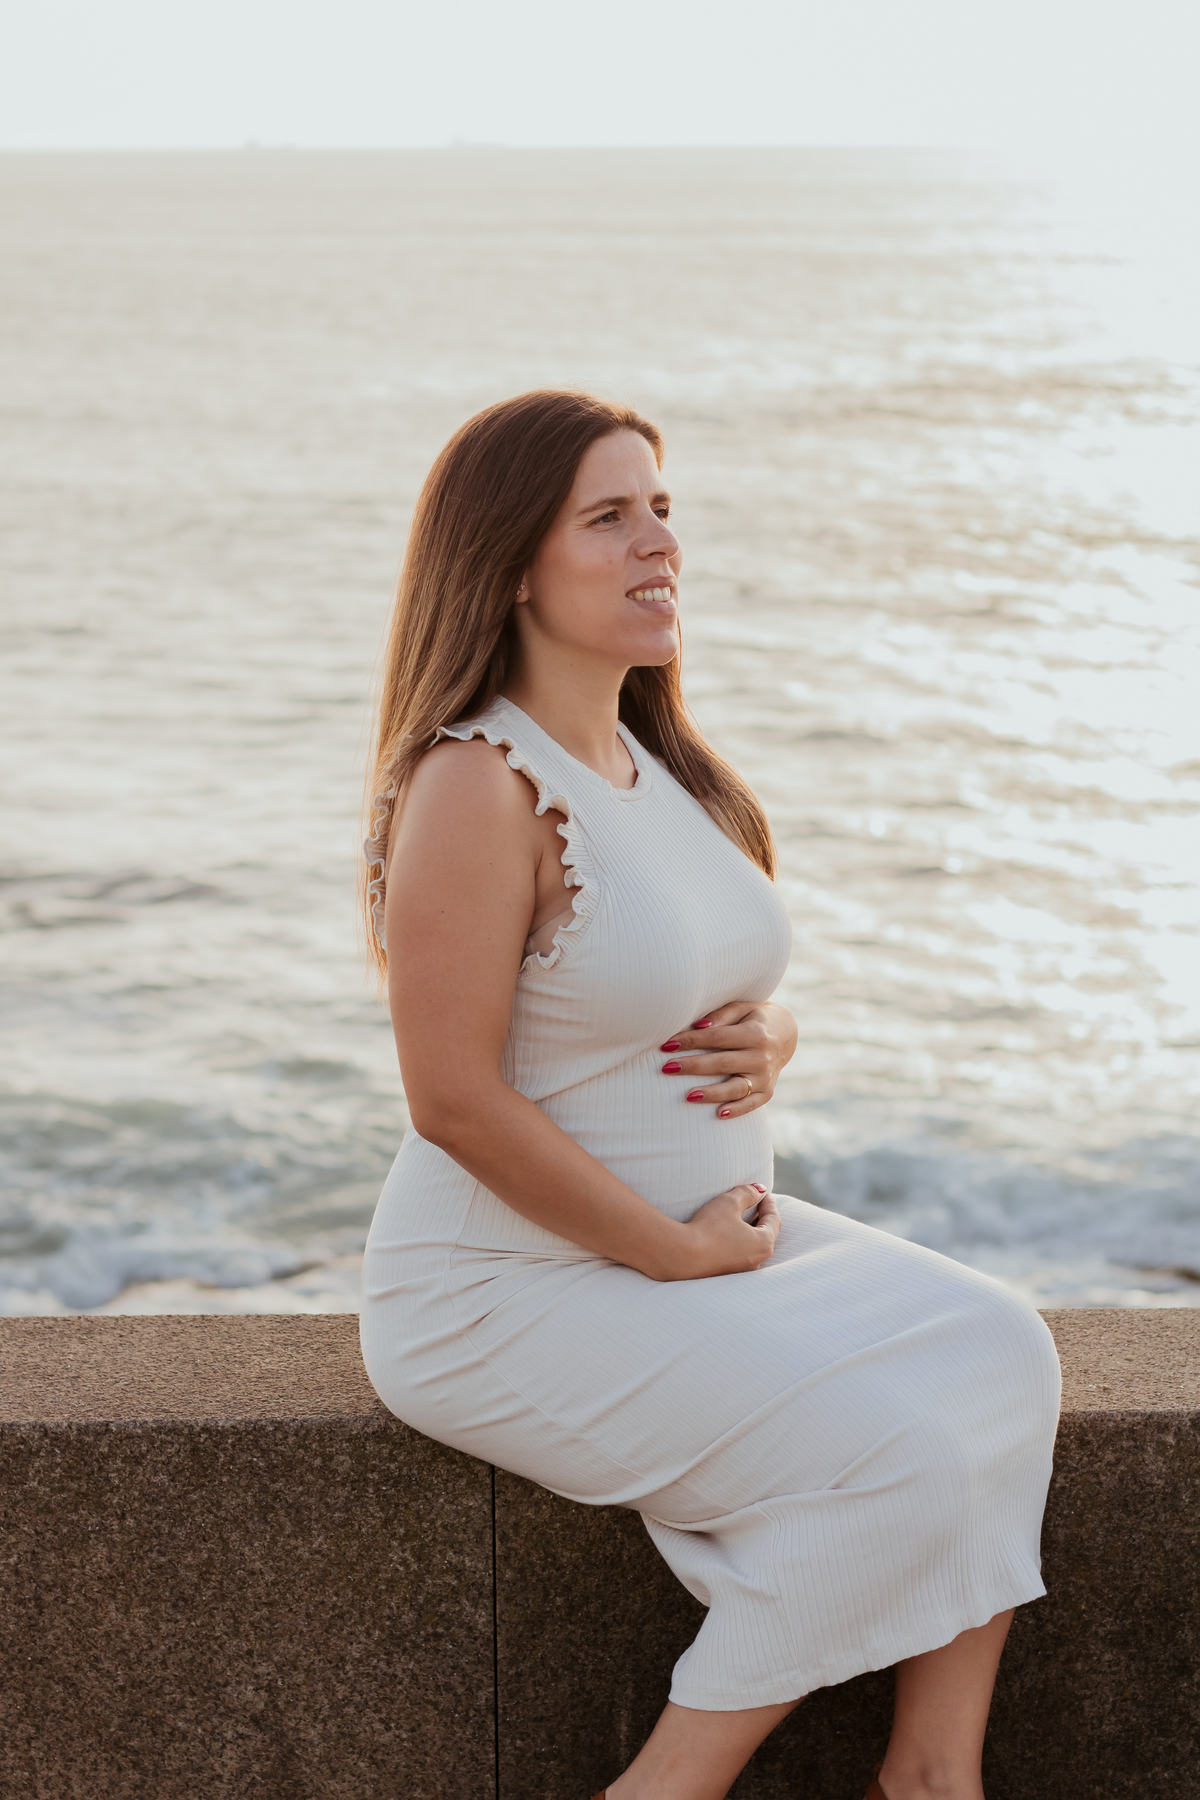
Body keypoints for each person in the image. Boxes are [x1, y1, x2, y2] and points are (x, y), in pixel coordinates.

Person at [358, 389, 1061, 1800]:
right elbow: (451, 1098)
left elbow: (682, 979)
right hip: (502, 1289)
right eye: (609, 518)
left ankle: (931, 1774)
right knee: (901, 1464)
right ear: (508, 565)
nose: (656, 542)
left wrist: (777, 1036)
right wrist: (674, 1250)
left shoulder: (658, 766)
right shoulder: (477, 785)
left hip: (696, 1243)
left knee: (1002, 1353)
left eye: (662, 508)